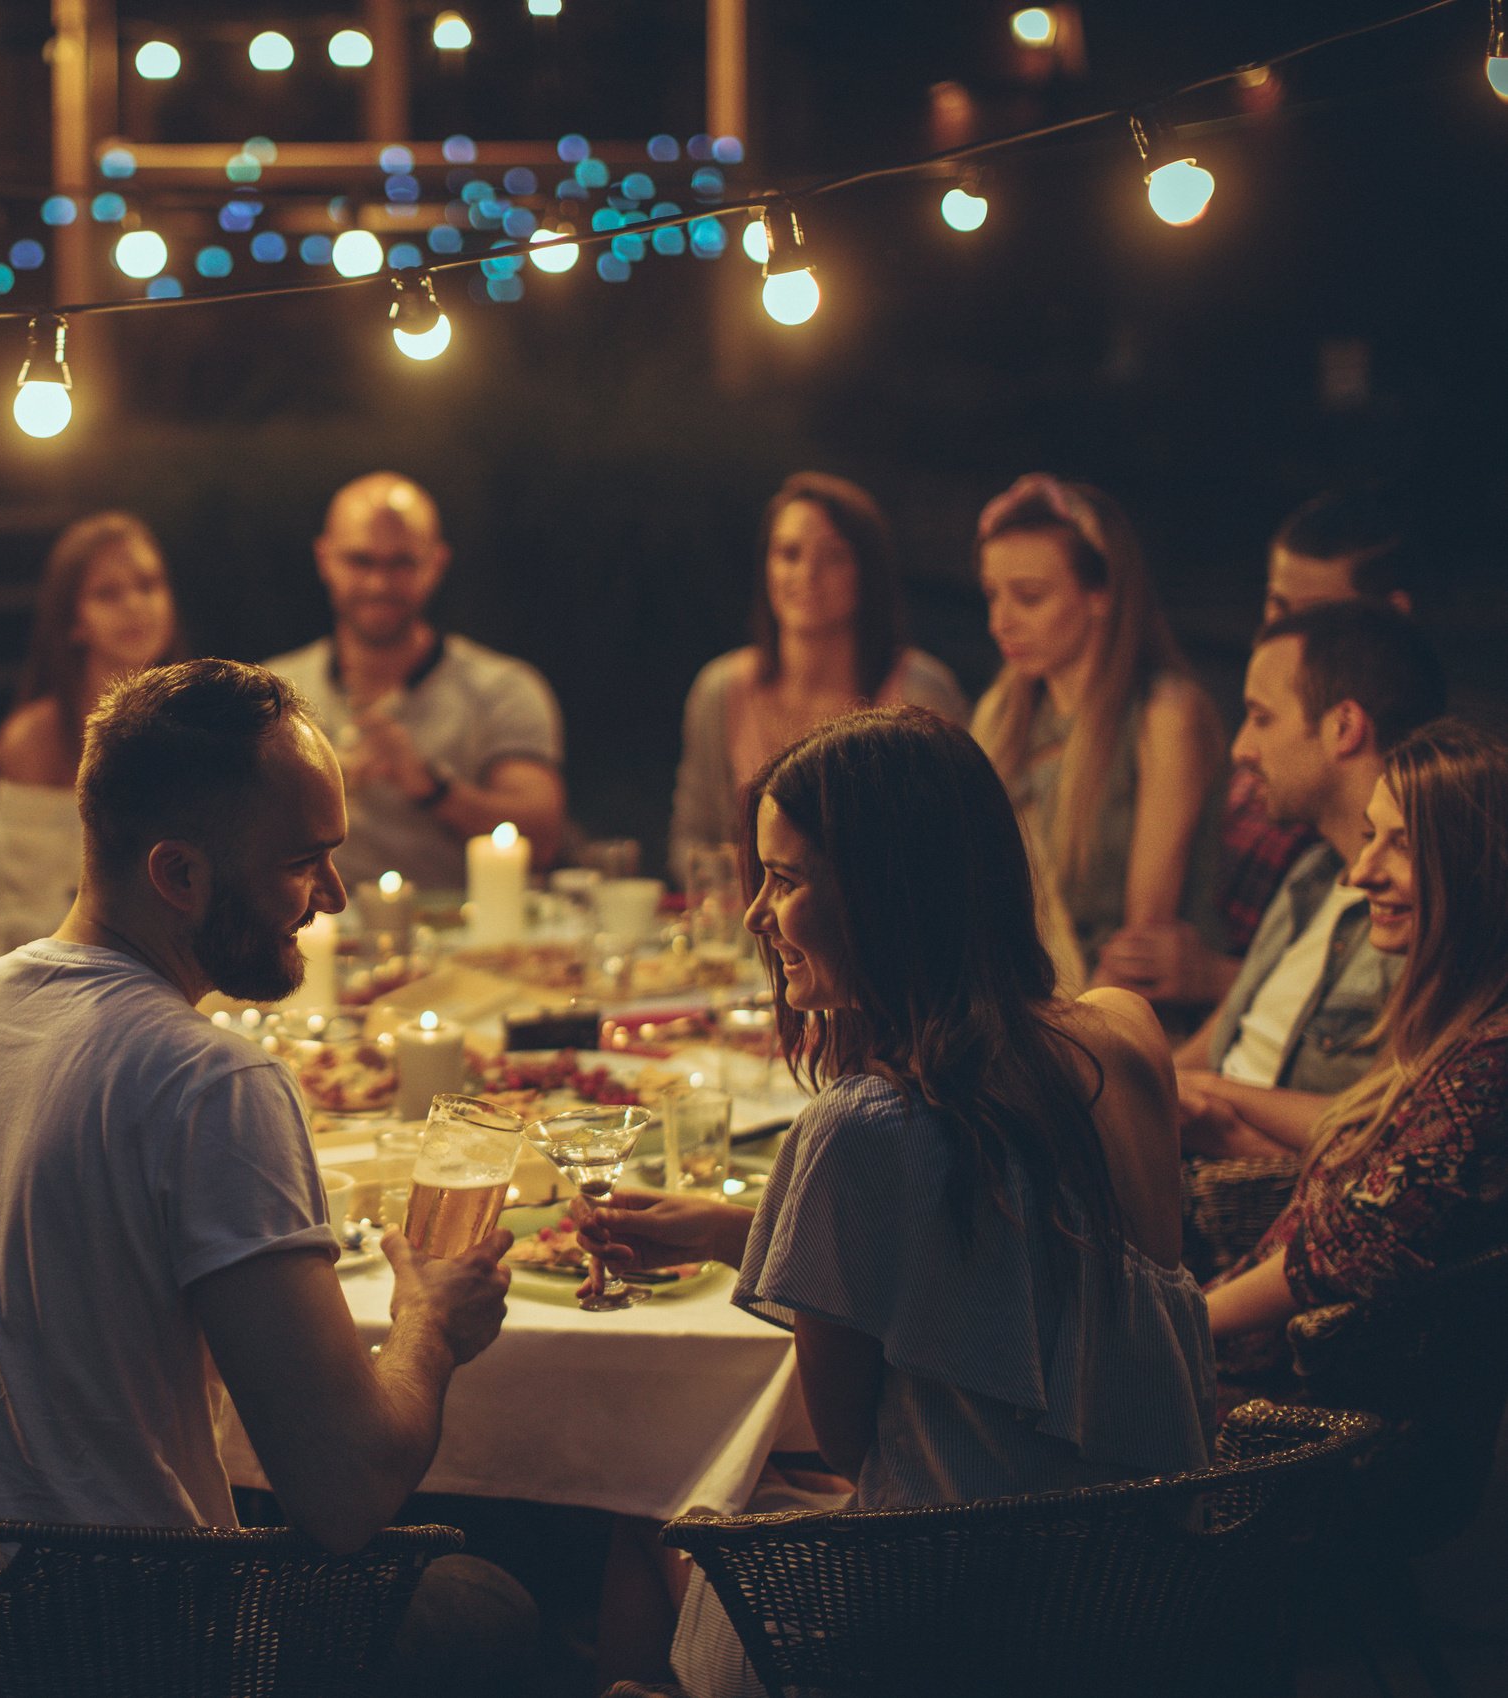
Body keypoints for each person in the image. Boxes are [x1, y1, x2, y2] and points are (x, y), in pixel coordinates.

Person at [0, 659, 533, 1685]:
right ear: (179, 875)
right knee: (486, 1610)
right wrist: (431, 1324)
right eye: (304, 862)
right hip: (121, 1645)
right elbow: (344, 1495)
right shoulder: (209, 1083)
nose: (329, 898)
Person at [575, 707, 1216, 1697]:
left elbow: (855, 1444)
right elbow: (1045, 1266)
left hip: (949, 1631)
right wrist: (738, 1230)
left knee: (648, 1492)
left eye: (783, 881)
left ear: (885, 893)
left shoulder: (859, 1129)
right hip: (1133, 1603)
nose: (754, 916)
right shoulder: (1125, 1037)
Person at [1204, 720, 1508, 1386]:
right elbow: (1355, 1125)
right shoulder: (1450, 1027)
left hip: (1274, 1420)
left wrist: (1174, 1331)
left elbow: (1343, 1252)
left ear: (1472, 864)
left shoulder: (1491, 1062)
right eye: (1370, 836)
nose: (1361, 872)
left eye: (1399, 845)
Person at [1100, 485, 1425, 1003]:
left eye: (1313, 614)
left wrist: (1215, 978)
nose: (1280, 631)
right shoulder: (1277, 764)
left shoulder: (1407, 807)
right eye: (1276, 607)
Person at [1171, 603, 1446, 1151]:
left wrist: (1209, 1117)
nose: (1241, 747)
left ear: (1343, 727)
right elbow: (1218, 1042)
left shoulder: (1420, 909)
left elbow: (1385, 1145)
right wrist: (1126, 1084)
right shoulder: (1312, 874)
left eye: (1262, 717)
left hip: (1260, 1196)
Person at [971, 473, 1225, 990]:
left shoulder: (1163, 715)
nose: (1001, 621)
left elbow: (1140, 946)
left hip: (1121, 1016)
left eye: (1029, 596)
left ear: (1100, 594)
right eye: (993, 596)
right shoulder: (1003, 712)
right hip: (1021, 1001)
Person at [264, 472, 565, 890]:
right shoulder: (272, 692)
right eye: (360, 561)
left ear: (436, 564)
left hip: (465, 945)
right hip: (311, 939)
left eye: (401, 563)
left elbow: (543, 837)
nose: (379, 584)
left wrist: (430, 786)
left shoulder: (502, 688)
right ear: (324, 559)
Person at [667, 473, 967, 883]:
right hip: (752, 932)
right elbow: (689, 845)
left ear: (868, 572)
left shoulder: (919, 690)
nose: (808, 574)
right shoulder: (721, 689)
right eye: (789, 554)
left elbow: (955, 848)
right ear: (766, 567)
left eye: (834, 557)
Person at [0, 512, 182, 960]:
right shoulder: (36, 738)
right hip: (52, 966)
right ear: (73, 620)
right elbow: (24, 910)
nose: (134, 605)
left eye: (148, 586)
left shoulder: (194, 724)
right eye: (107, 593)